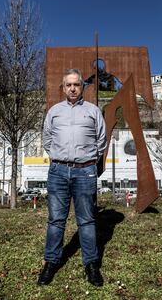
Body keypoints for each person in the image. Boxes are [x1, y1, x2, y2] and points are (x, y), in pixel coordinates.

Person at [37, 69, 107, 287]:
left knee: (86, 220)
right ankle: (51, 262)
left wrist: (87, 161)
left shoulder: (93, 111)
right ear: (63, 87)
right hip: (58, 171)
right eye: (69, 85)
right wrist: (59, 158)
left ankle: (91, 265)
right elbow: (46, 139)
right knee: (56, 220)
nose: (73, 88)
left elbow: (101, 141)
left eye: (76, 84)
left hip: (85, 171)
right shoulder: (54, 112)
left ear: (82, 86)